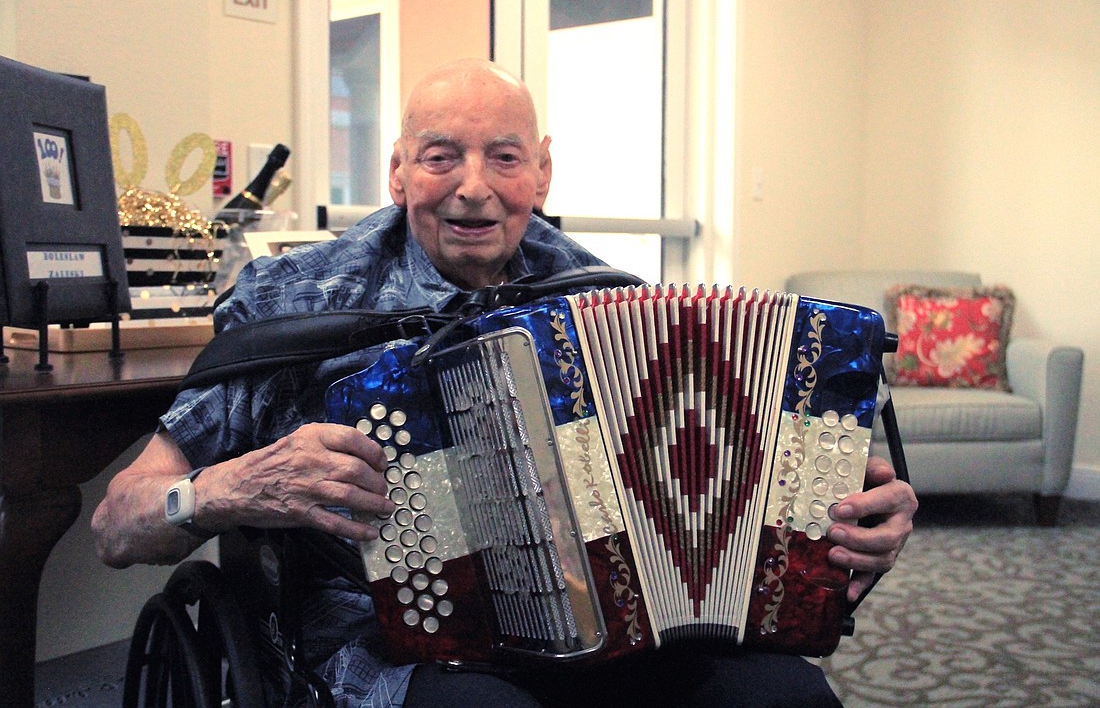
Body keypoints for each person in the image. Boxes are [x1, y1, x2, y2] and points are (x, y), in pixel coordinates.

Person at [93, 58, 918, 708]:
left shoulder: (610, 298)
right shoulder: (293, 300)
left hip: (619, 629)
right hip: (381, 642)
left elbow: (748, 491)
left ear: (543, 174)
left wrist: (850, 522)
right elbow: (119, 522)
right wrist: (229, 487)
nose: (474, 186)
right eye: (441, 156)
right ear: (398, 171)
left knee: (786, 695)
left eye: (504, 157)